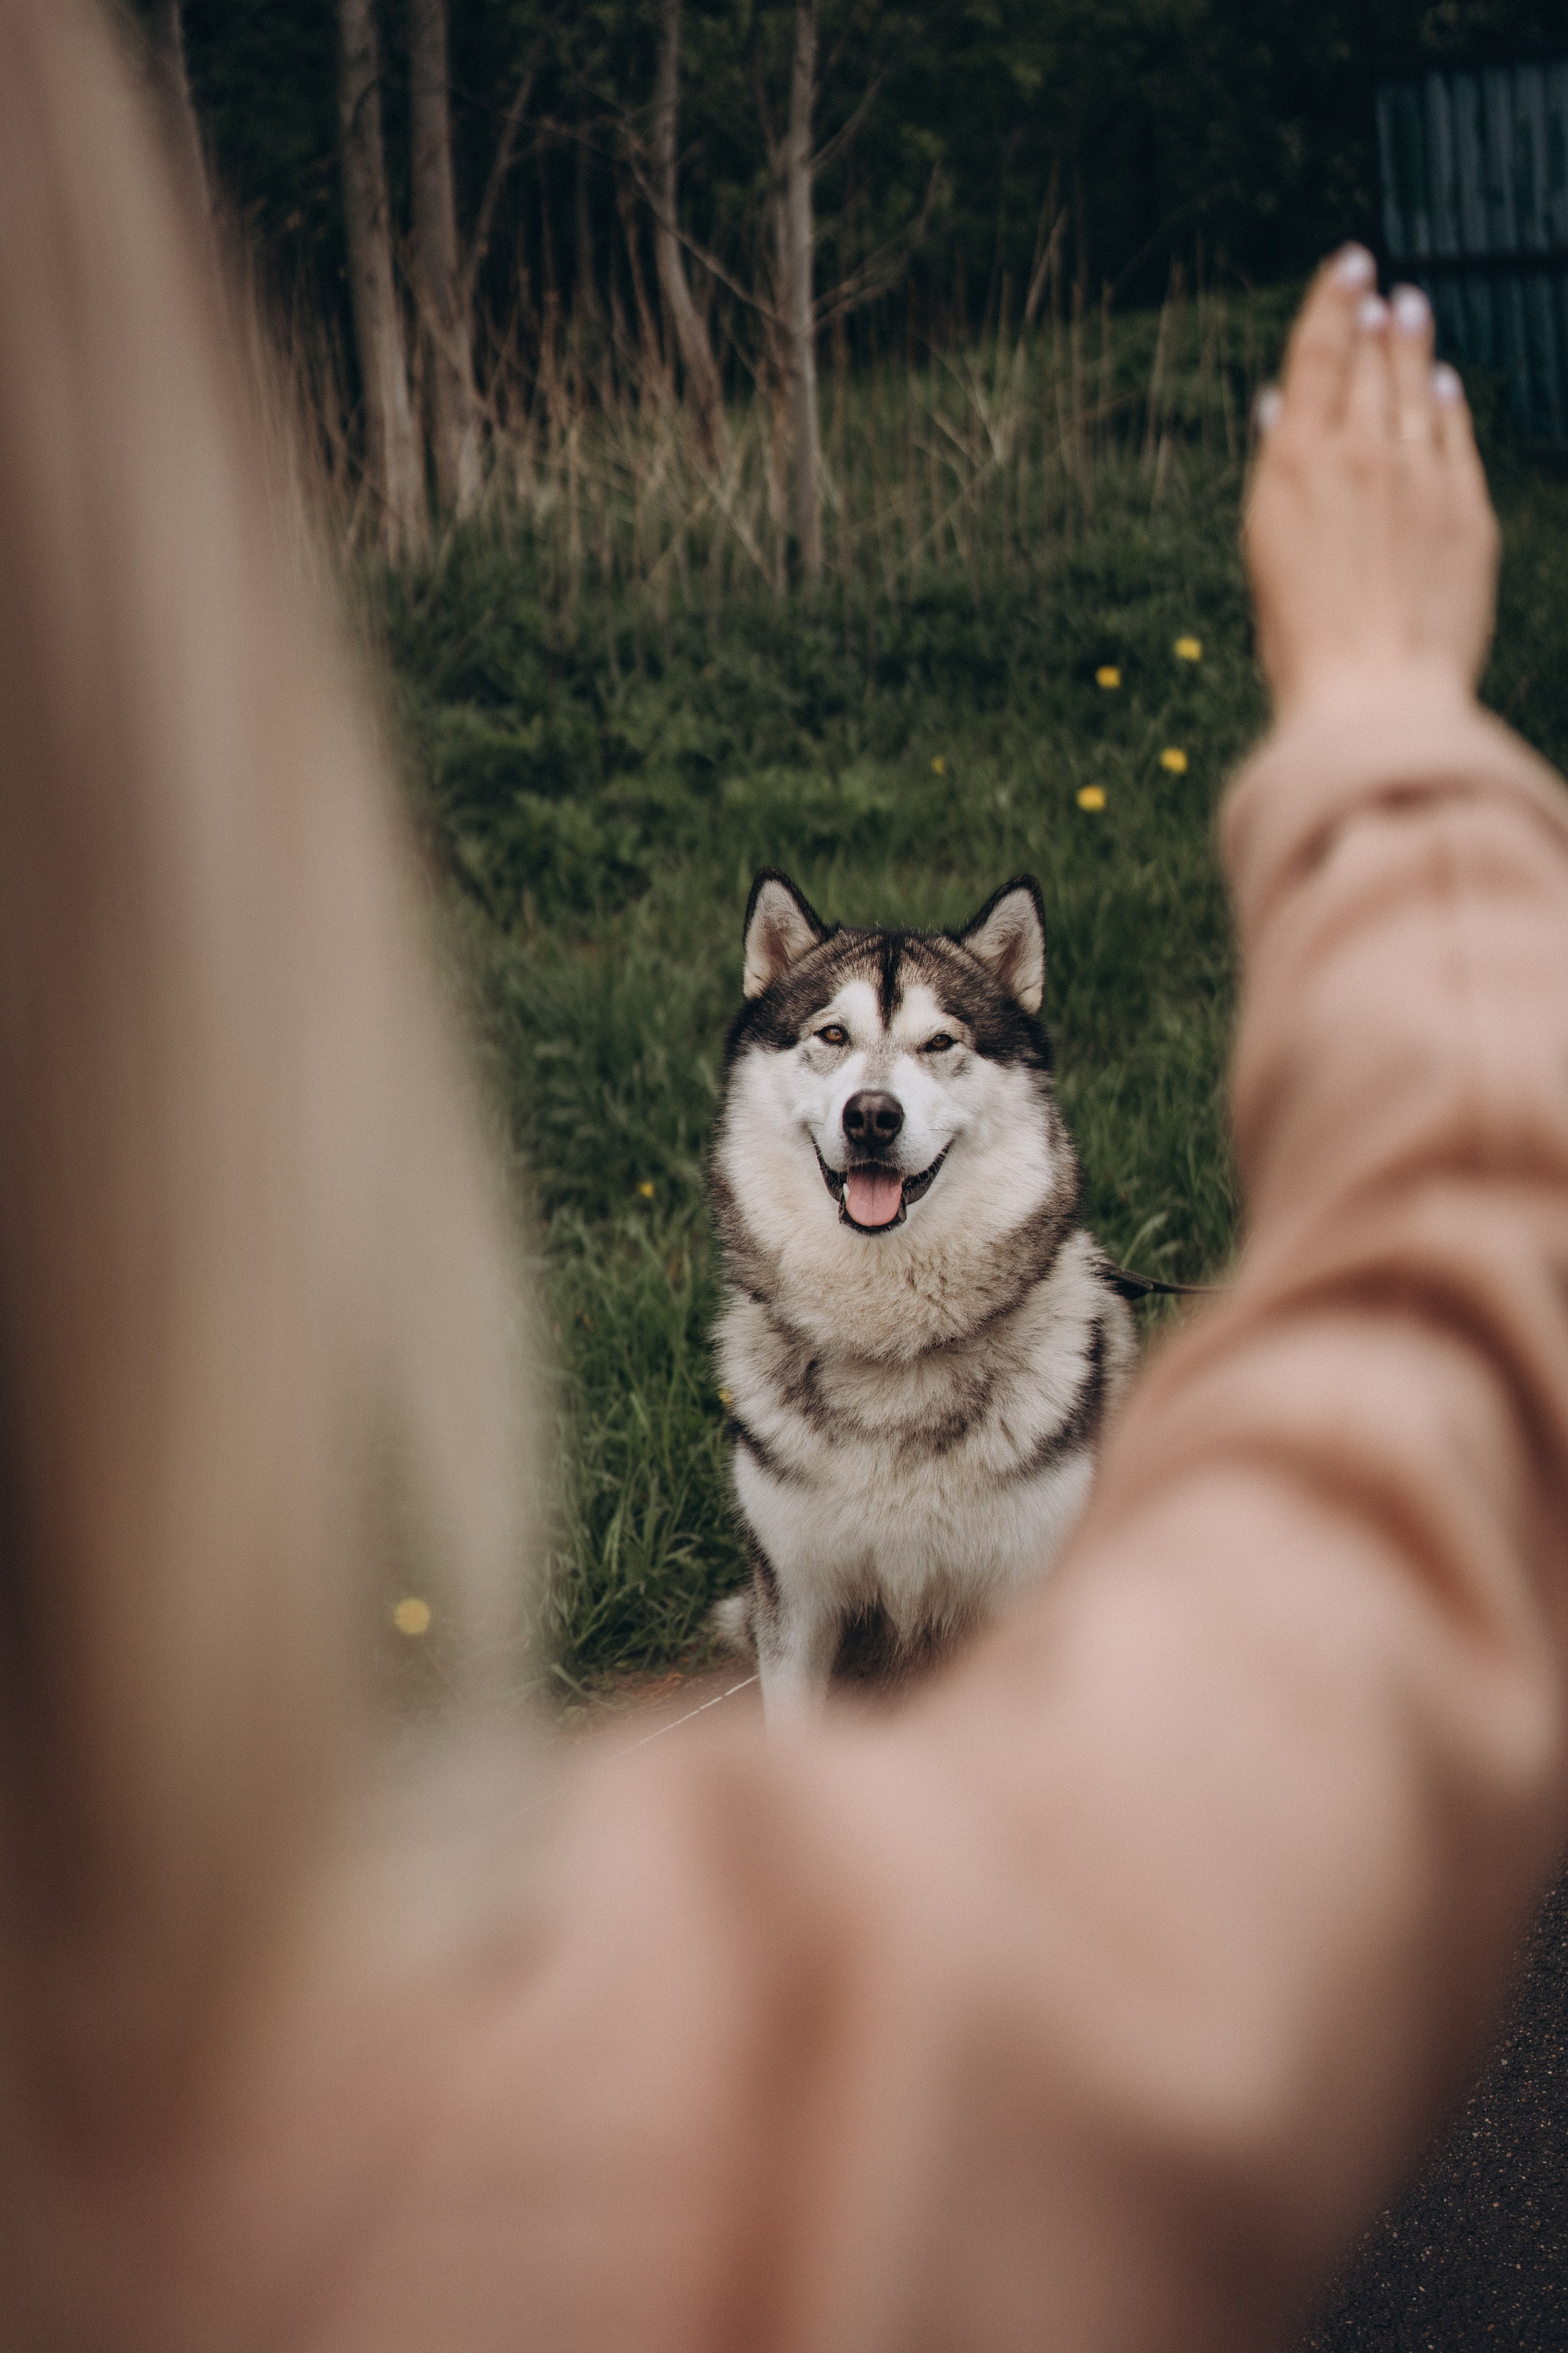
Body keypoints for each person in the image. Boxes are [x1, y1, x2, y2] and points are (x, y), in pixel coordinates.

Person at [0, 4, 1565, 2348]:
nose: (872, 1090)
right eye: (832, 1046)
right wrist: (1380, 736)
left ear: (1008, 1080)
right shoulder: (650, 2123)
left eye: (931, 1055)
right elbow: (1369, 1582)